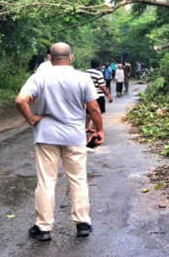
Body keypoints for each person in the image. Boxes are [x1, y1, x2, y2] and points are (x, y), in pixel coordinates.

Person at [15, 42, 105, 242]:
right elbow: (94, 108)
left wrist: (31, 119)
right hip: (74, 136)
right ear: (71, 57)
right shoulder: (83, 78)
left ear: (50, 58)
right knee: (78, 178)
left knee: (47, 181)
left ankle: (44, 227)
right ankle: (82, 223)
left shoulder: (39, 77)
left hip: (46, 135)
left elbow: (21, 100)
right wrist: (99, 130)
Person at [86, 58, 113, 130]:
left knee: (88, 112)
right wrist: (109, 95)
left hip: (88, 96)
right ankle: (94, 127)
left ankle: (86, 127)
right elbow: (102, 86)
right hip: (98, 96)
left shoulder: (85, 72)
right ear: (99, 65)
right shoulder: (98, 73)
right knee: (98, 112)